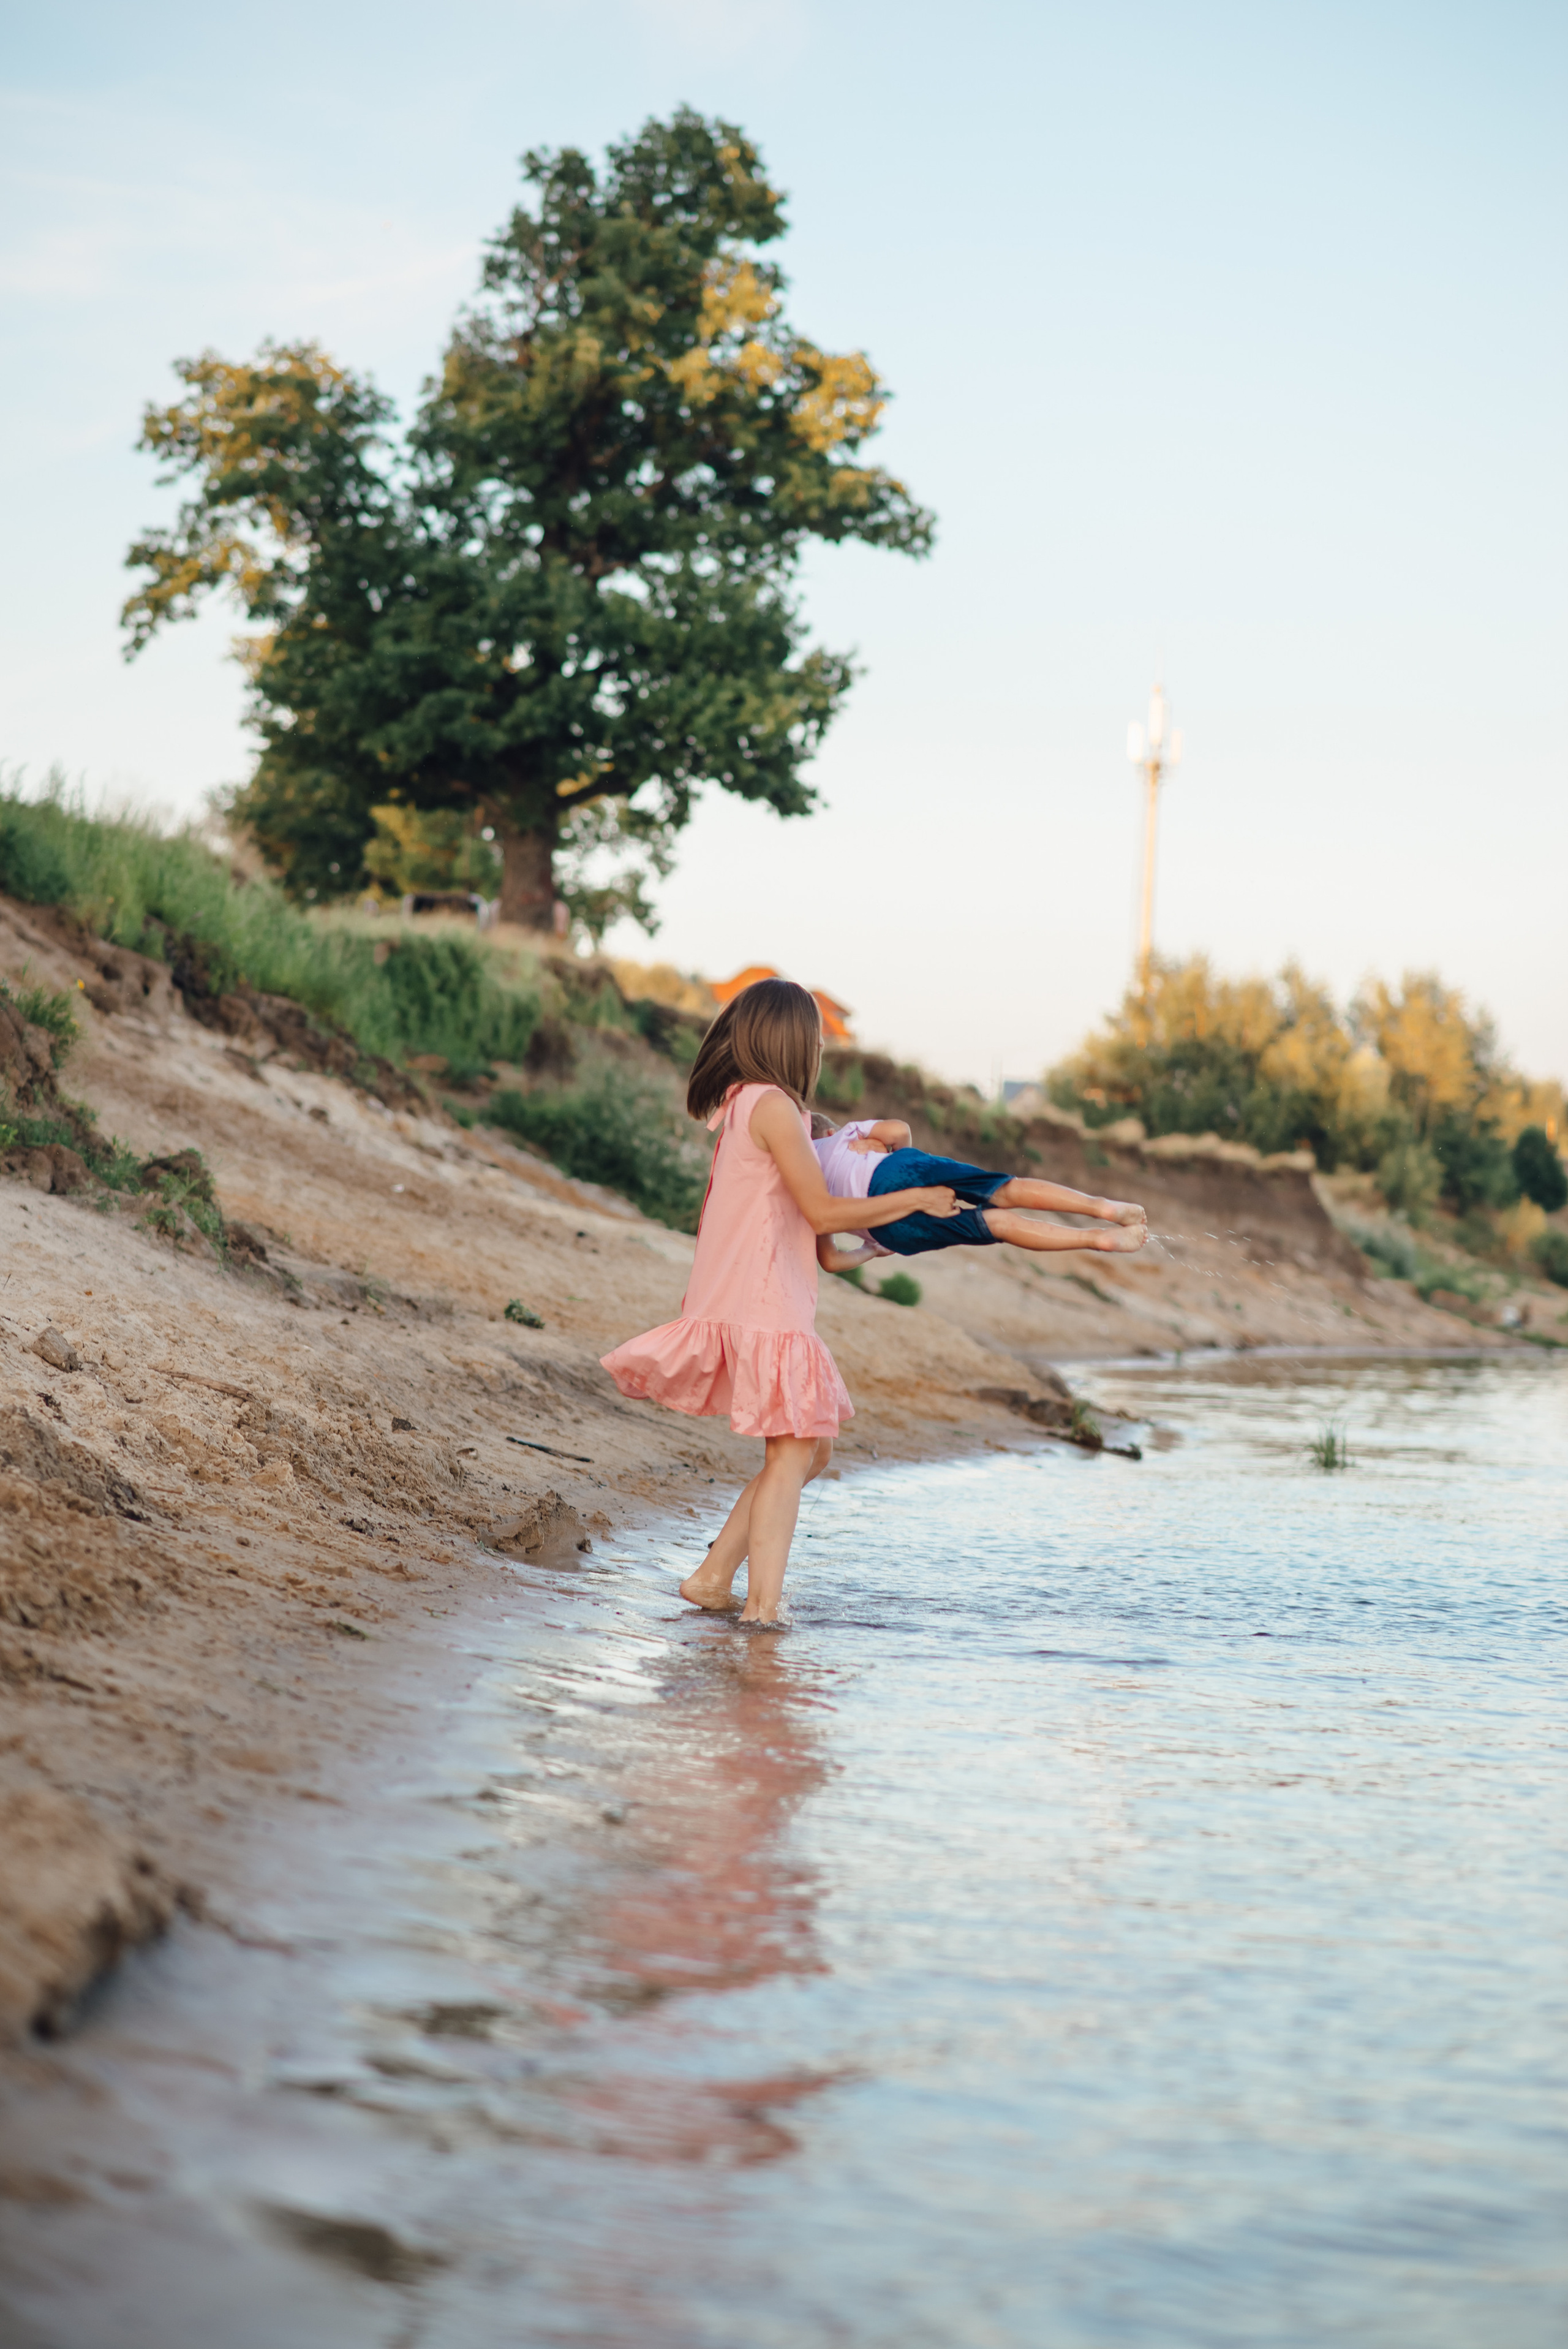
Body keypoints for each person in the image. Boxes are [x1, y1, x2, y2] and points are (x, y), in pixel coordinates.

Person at [600, 980, 962, 1625]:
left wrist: (876, 1250)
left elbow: (820, 1242)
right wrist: (913, 1199)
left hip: (768, 1296)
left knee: (810, 1450)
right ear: (792, 1039)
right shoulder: (769, 1106)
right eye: (817, 1034)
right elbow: (822, 1209)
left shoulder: (761, 1107)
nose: (822, 1044)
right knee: (792, 1452)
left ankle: (714, 1577)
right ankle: (763, 1614)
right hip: (760, 1302)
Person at [809, 1113, 1148, 1276]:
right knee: (1006, 1189)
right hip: (897, 1168)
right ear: (828, 1131)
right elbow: (900, 1130)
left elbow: (832, 1260)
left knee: (997, 1224)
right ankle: (1103, 1207)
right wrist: (893, 1155)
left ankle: (1097, 1239)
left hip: (884, 1226)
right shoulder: (843, 1135)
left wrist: (871, 1249)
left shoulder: (805, 1186)